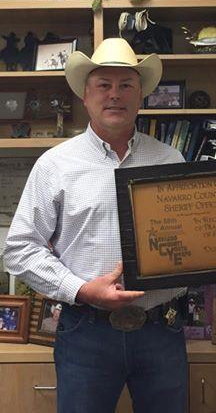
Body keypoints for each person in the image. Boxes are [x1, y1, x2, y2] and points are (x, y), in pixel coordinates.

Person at [3, 37, 191, 413]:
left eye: (126, 85)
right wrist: (82, 289)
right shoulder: (55, 164)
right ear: (85, 97)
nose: (115, 95)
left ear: (141, 96)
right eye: (103, 86)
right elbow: (20, 247)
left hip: (162, 329)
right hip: (85, 332)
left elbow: (193, 238)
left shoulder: (171, 158)